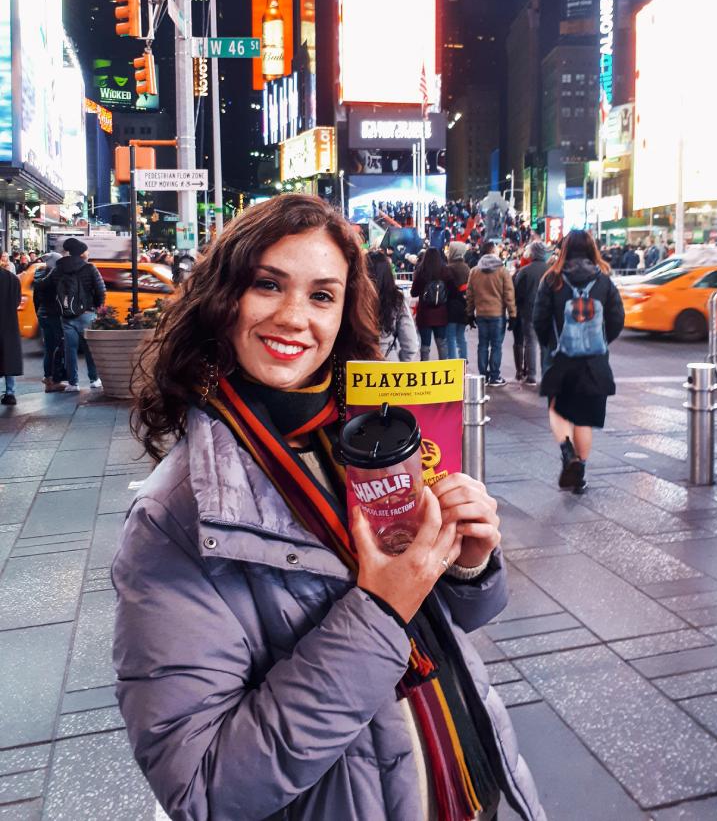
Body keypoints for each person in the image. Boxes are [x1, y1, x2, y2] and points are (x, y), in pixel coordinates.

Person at [112, 194, 544, 821]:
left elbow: (450, 622)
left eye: (321, 295)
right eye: (268, 285)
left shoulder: (370, 438)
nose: (294, 317)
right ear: (222, 297)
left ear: (344, 313)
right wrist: (379, 608)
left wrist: (464, 565)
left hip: (464, 786)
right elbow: (203, 788)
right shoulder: (174, 517)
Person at [533, 230, 624, 494]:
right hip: (594, 361)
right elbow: (617, 319)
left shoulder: (551, 279)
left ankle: (566, 450)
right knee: (583, 418)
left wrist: (550, 345)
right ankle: (580, 476)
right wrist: (601, 342)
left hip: (560, 358)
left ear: (564, 249)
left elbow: (539, 319)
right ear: (592, 249)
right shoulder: (604, 280)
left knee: (557, 408)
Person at [46, 238, 106, 392]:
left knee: (70, 350)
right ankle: (94, 379)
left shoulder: (58, 269)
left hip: (66, 315)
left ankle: (73, 383)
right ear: (81, 252)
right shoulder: (89, 268)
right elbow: (101, 290)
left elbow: (46, 287)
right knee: (89, 348)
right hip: (87, 313)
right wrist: (97, 306)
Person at [466, 241, 516, 387]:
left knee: (482, 345)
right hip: (497, 314)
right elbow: (509, 294)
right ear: (493, 252)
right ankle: (494, 376)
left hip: (481, 314)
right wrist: (512, 314)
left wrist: (469, 313)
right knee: (496, 346)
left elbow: (470, 295)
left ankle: (483, 376)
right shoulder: (502, 271)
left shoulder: (474, 271)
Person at [365, 249, 419, 361]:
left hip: (355, 368)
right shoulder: (396, 300)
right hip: (388, 363)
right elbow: (411, 345)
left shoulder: (352, 298)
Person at [513, 242, 549, 385]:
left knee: (530, 342)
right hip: (547, 312)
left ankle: (532, 375)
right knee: (545, 345)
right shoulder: (551, 270)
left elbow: (518, 293)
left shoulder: (525, 271)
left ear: (532, 254)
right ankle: (546, 374)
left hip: (529, 311)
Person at [411, 246, 451, 360]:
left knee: (425, 346)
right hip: (441, 314)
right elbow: (451, 289)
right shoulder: (444, 271)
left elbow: (414, 293)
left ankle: (425, 370)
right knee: (442, 344)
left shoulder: (421, 271)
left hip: (425, 314)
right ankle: (444, 370)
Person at [33, 251, 65, 392]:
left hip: (43, 314)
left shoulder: (39, 275)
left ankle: (48, 378)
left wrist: (39, 313)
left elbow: (36, 299)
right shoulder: (54, 277)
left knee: (49, 348)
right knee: (59, 346)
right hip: (53, 315)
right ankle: (55, 380)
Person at [0, 258, 22, 405]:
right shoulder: (12, 278)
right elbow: (17, 301)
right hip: (8, 323)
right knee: (8, 356)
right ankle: (10, 392)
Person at [445, 240, 470, 361]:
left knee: (450, 337)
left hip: (451, 307)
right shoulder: (466, 268)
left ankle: (453, 364)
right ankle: (464, 360)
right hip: (464, 306)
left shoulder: (448, 268)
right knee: (461, 336)